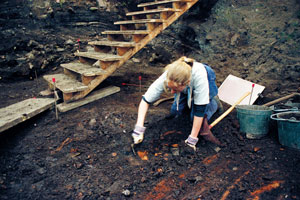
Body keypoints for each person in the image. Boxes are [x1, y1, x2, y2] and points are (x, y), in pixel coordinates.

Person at [131, 56, 223, 151]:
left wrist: (192, 139)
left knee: (195, 117)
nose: (171, 92)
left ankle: (215, 103)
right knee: (175, 111)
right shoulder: (170, 75)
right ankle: (188, 98)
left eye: (174, 89)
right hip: (183, 82)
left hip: (207, 78)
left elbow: (199, 111)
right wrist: (139, 129)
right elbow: (146, 100)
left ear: (186, 83)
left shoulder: (200, 78)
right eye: (170, 88)